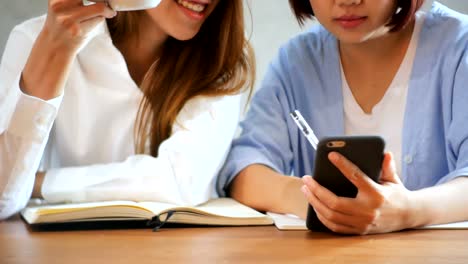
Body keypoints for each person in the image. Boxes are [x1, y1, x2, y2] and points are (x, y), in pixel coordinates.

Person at [217, 0, 468, 235]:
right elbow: (244, 171)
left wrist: (408, 210)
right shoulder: (297, 62)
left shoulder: (458, 47)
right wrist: (319, 202)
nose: (347, 1)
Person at [0, 0, 255, 220]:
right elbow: (3, 199)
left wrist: (38, 183)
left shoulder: (220, 55)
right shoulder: (34, 41)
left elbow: (183, 181)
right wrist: (56, 51)